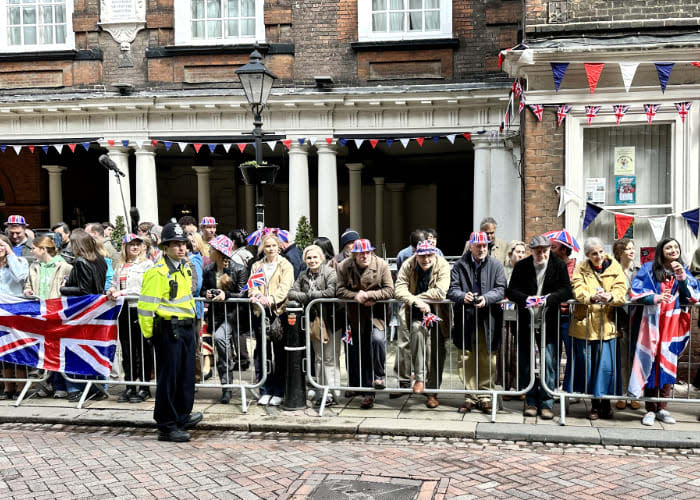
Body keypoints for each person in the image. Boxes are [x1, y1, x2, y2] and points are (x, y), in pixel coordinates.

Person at [137, 222, 202, 442]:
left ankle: (181, 416)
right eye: (175, 245)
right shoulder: (157, 273)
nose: (181, 248)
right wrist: (149, 336)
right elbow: (146, 307)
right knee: (169, 378)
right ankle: (166, 425)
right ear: (165, 247)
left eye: (183, 244)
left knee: (185, 376)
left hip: (185, 328)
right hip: (168, 330)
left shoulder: (183, 267)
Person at [628, 238, 699, 427]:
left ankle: (662, 408)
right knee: (651, 361)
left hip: (673, 325)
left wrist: (682, 278)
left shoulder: (682, 269)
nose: (673, 250)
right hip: (651, 323)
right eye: (669, 247)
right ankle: (650, 409)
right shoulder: (648, 268)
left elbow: (692, 296)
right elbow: (635, 290)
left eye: (676, 246)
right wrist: (655, 297)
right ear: (661, 251)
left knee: (668, 364)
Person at [506, 235, 572, 419]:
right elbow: (511, 291)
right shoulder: (522, 266)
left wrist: (548, 299)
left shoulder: (558, 265)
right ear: (531, 250)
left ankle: (547, 402)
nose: (541, 254)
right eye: (537, 251)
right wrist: (526, 299)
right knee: (526, 362)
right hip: (527, 319)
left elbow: (567, 290)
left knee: (549, 362)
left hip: (549, 320)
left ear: (549, 249)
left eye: (544, 250)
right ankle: (531, 400)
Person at [448, 232, 507, 413]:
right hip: (466, 318)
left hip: (488, 318)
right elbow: (452, 289)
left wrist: (486, 298)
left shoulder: (496, 265)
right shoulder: (459, 265)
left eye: (485, 245)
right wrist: (462, 296)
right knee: (466, 357)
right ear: (471, 246)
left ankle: (485, 396)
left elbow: (501, 288)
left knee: (488, 357)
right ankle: (470, 396)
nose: (482, 249)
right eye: (478, 245)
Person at [570, 237, 628, 420]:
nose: (599, 256)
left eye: (601, 251)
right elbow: (576, 288)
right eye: (594, 253)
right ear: (587, 255)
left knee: (607, 368)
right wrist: (591, 297)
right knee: (589, 368)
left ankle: (606, 403)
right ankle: (594, 406)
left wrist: (610, 296)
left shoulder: (614, 267)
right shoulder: (581, 268)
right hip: (586, 325)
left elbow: (622, 289)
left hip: (607, 325)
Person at [336, 238, 394, 409]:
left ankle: (378, 378)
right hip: (354, 315)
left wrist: (371, 296)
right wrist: (355, 296)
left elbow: (390, 289)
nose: (364, 256)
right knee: (356, 351)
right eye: (361, 253)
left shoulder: (381, 265)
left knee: (376, 341)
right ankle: (363, 389)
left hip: (376, 314)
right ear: (354, 254)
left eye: (367, 252)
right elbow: (339, 290)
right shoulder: (344, 266)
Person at [394, 240, 450, 409]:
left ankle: (432, 392)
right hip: (416, 312)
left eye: (429, 255)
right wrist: (416, 302)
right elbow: (399, 289)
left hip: (438, 312)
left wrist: (418, 298)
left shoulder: (443, 265)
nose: (426, 259)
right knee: (417, 332)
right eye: (422, 255)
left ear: (434, 254)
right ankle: (419, 378)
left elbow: (441, 291)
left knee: (437, 351)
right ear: (416, 255)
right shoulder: (408, 265)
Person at [59, 229, 109, 402]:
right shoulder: (101, 259)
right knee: (93, 349)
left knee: (75, 350)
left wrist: (64, 287)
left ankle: (78, 388)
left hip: (81, 312)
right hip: (96, 310)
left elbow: (84, 290)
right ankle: (98, 387)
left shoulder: (81, 261)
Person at [288, 244, 339, 406]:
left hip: (331, 321)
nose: (312, 260)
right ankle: (320, 390)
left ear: (321, 258)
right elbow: (291, 293)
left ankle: (332, 393)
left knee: (330, 358)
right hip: (314, 322)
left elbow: (331, 292)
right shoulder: (303, 275)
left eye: (315, 257)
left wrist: (310, 296)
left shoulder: (330, 272)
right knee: (318, 358)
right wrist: (311, 297)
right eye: (309, 258)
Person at [248, 233, 294, 406]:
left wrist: (272, 299)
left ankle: (279, 390)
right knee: (262, 352)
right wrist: (258, 296)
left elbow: (286, 287)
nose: (271, 249)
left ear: (279, 247)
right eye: (267, 246)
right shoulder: (257, 265)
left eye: (274, 246)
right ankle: (265, 390)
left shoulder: (285, 265)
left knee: (279, 354)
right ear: (263, 248)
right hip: (261, 312)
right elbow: (252, 287)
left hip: (279, 312)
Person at [107, 234, 154, 404]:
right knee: (127, 350)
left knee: (142, 350)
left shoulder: (147, 264)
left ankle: (144, 387)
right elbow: (114, 283)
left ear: (142, 247)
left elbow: (144, 289)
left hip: (140, 308)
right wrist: (112, 291)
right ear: (125, 247)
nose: (134, 247)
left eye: (137, 244)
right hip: (123, 310)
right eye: (130, 245)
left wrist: (122, 293)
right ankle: (130, 385)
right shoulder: (120, 265)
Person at [202, 235, 248, 404]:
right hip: (215, 316)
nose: (209, 251)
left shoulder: (239, 269)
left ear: (220, 252)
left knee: (221, 339)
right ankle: (226, 387)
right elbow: (202, 290)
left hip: (233, 316)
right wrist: (206, 294)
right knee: (222, 352)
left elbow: (243, 294)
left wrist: (226, 295)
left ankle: (227, 386)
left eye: (212, 249)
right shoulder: (208, 269)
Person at [393, 229, 427, 393]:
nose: (419, 255)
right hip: (407, 303)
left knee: (424, 342)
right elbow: (401, 284)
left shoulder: (437, 254)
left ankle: (424, 378)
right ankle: (404, 379)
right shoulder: (403, 256)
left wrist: (421, 299)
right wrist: (413, 300)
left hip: (428, 304)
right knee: (403, 342)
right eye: (415, 250)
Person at [612, 238, 641, 411]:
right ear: (619, 252)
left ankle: (635, 394)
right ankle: (622, 394)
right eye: (628, 249)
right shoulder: (613, 271)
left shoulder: (640, 270)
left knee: (636, 359)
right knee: (622, 359)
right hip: (620, 319)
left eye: (633, 248)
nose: (632, 251)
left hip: (638, 319)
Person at [0, 234, 29, 400]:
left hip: (16, 312)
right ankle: (7, 386)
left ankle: (21, 386)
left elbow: (20, 277)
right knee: (3, 352)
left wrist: (9, 252)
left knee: (17, 350)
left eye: (2, 245)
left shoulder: (20, 261)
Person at [549, 234, 577, 395]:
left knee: (572, 354)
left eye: (553, 247)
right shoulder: (551, 267)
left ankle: (568, 389)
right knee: (552, 355)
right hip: (553, 315)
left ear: (564, 250)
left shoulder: (576, 267)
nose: (550, 251)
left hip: (570, 316)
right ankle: (551, 389)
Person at [501, 240, 527, 398]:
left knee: (520, 351)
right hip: (506, 314)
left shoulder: (528, 270)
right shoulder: (503, 270)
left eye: (523, 252)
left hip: (523, 315)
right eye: (518, 252)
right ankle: (506, 387)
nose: (521, 255)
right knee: (506, 350)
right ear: (510, 253)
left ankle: (521, 386)